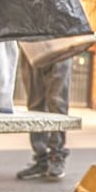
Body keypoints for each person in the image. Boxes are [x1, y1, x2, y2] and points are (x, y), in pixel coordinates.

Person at [15, 49, 73, 181]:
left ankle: (56, 155)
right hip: (31, 41)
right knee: (35, 104)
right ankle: (41, 158)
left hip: (61, 39)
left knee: (57, 102)